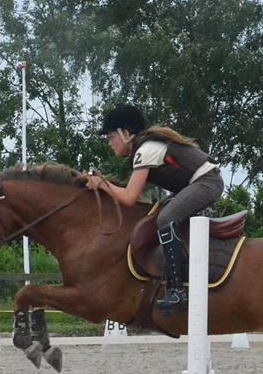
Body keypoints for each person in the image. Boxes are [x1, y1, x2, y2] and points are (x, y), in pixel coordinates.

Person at [85, 104, 223, 312]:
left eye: (111, 136)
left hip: (207, 182)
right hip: (199, 183)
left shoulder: (146, 150)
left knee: (165, 219)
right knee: (159, 214)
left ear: (125, 133)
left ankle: (176, 290)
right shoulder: (144, 150)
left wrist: (102, 184)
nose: (110, 143)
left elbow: (130, 197)